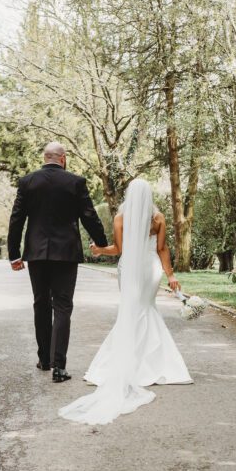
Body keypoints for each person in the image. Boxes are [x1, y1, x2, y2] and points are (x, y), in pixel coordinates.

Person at [59, 179, 192, 425]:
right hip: (151, 269)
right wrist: (170, 275)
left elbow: (118, 250)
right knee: (147, 309)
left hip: (130, 270)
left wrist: (99, 251)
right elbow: (162, 249)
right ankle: (156, 364)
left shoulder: (121, 218)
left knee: (132, 312)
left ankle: (123, 364)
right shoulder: (158, 218)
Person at [7, 142, 109, 383]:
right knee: (62, 307)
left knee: (40, 304)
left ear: (46, 158)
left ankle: (44, 359)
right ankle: (59, 368)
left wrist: (14, 254)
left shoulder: (28, 182)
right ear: (63, 159)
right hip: (66, 254)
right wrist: (102, 243)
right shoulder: (75, 182)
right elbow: (89, 216)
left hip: (37, 255)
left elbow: (16, 220)